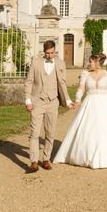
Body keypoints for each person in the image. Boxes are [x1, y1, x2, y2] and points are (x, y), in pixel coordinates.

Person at [24, 40, 74, 173]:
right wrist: (28, 100)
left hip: (53, 102)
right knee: (34, 133)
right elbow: (29, 82)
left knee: (50, 132)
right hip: (37, 101)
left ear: (55, 51)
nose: (50, 55)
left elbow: (62, 84)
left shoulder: (60, 63)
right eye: (47, 53)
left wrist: (68, 101)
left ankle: (46, 159)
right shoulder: (36, 63)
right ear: (44, 52)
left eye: (52, 53)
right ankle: (34, 162)